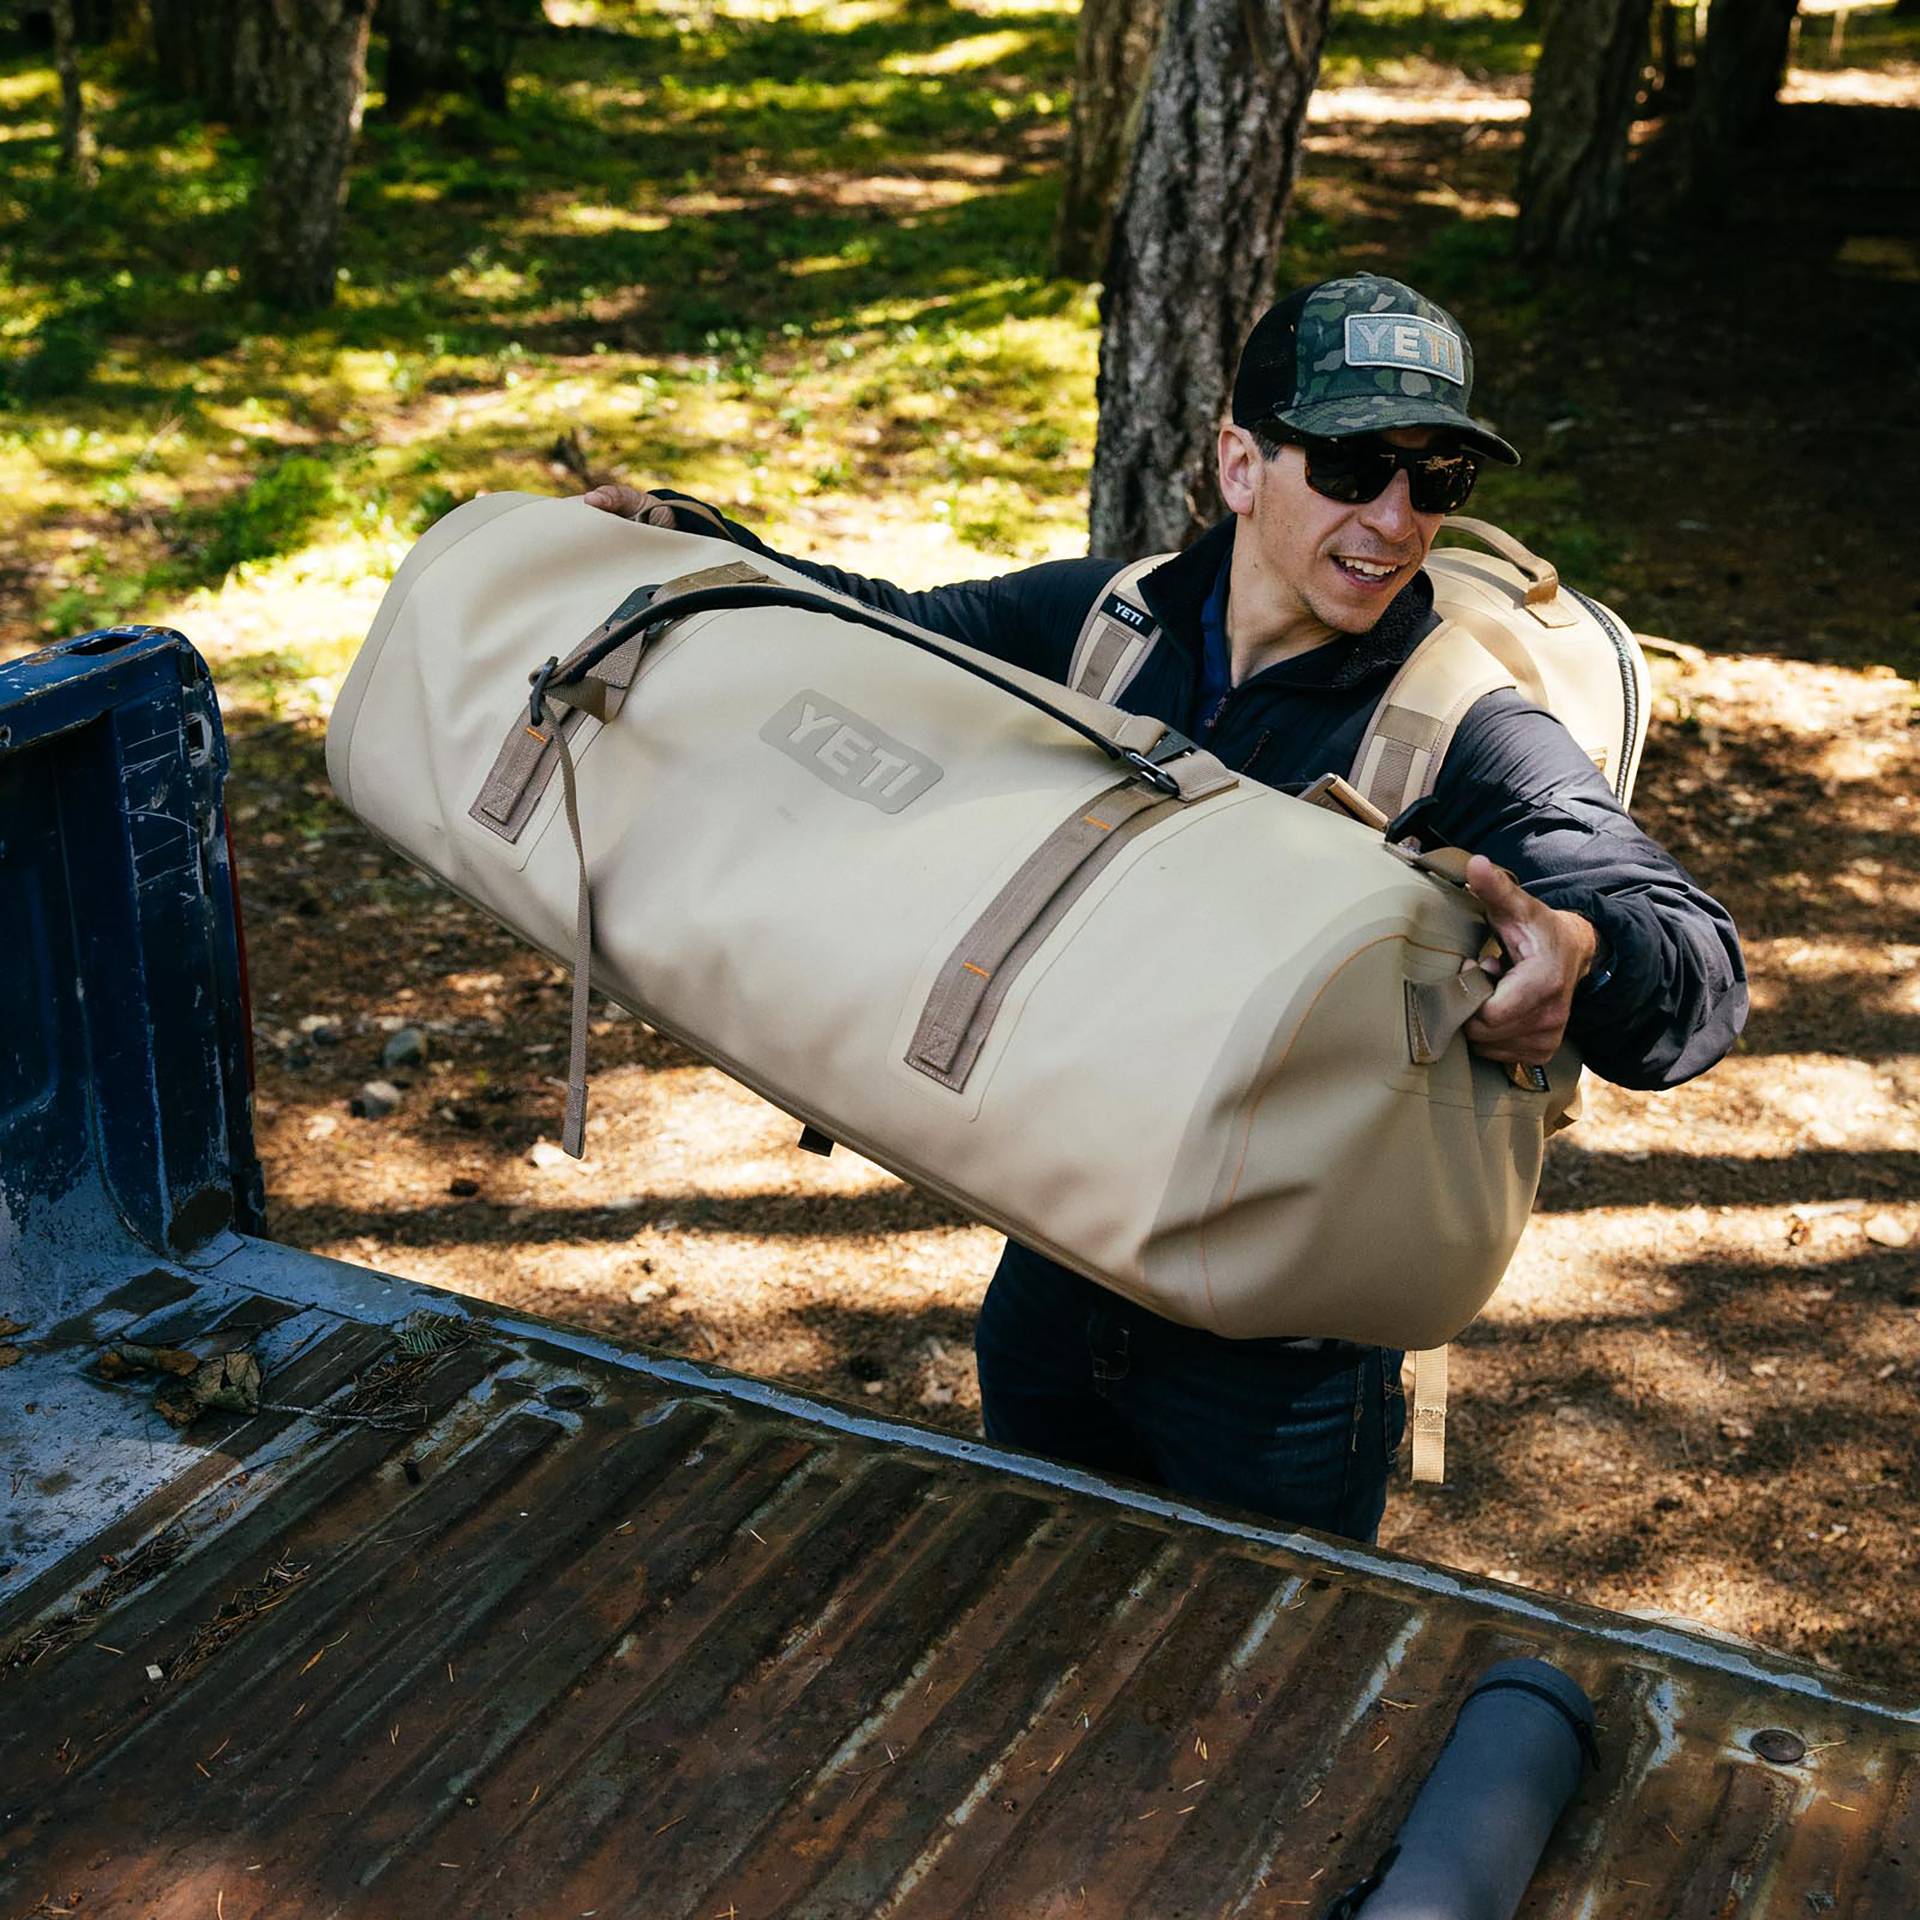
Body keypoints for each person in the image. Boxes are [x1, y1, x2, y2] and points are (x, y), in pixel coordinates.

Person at [582, 271, 1747, 1544]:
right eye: (1356, 465)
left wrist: (1586, 953)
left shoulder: (1468, 728)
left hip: (1282, 1373)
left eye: (1440, 481)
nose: (1397, 518)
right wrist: (685, 536)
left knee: (1262, 1704)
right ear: (1242, 465)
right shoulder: (1110, 624)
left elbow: (1694, 963)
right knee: (1032, 1621)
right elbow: (883, 637)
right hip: (1056, 1265)